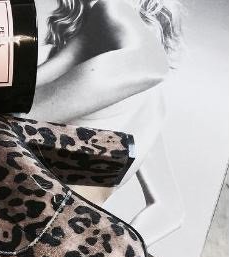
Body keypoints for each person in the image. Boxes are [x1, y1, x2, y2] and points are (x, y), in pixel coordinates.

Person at [30, 0, 184, 243]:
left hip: (14, 214)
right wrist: (116, 252)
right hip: (63, 240)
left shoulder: (110, 9)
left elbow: (15, 111)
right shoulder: (150, 96)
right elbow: (170, 210)